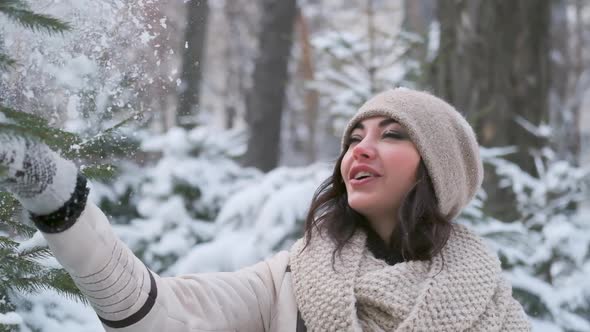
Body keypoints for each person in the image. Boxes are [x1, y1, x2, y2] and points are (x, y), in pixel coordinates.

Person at [0, 87, 531, 331]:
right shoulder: (289, 283)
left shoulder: (494, 311)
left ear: (438, 169)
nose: (360, 149)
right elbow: (153, 310)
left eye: (392, 134)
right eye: (353, 137)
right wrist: (60, 201)